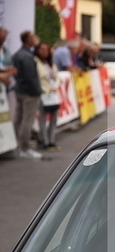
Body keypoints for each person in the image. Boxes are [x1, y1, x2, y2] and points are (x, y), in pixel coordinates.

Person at [12, 30, 42, 160]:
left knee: (18, 119)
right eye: (33, 37)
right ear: (28, 40)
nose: (35, 39)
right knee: (27, 121)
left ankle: (17, 146)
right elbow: (30, 77)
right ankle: (24, 148)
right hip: (29, 92)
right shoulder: (26, 56)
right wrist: (38, 91)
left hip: (20, 90)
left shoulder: (18, 54)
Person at [34, 41, 60, 151]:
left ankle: (51, 139)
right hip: (43, 94)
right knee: (43, 118)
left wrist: (55, 87)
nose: (44, 52)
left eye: (46, 50)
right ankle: (44, 140)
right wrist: (44, 90)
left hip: (53, 93)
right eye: (42, 50)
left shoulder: (51, 63)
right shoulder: (35, 62)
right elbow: (37, 78)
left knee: (54, 117)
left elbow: (57, 77)